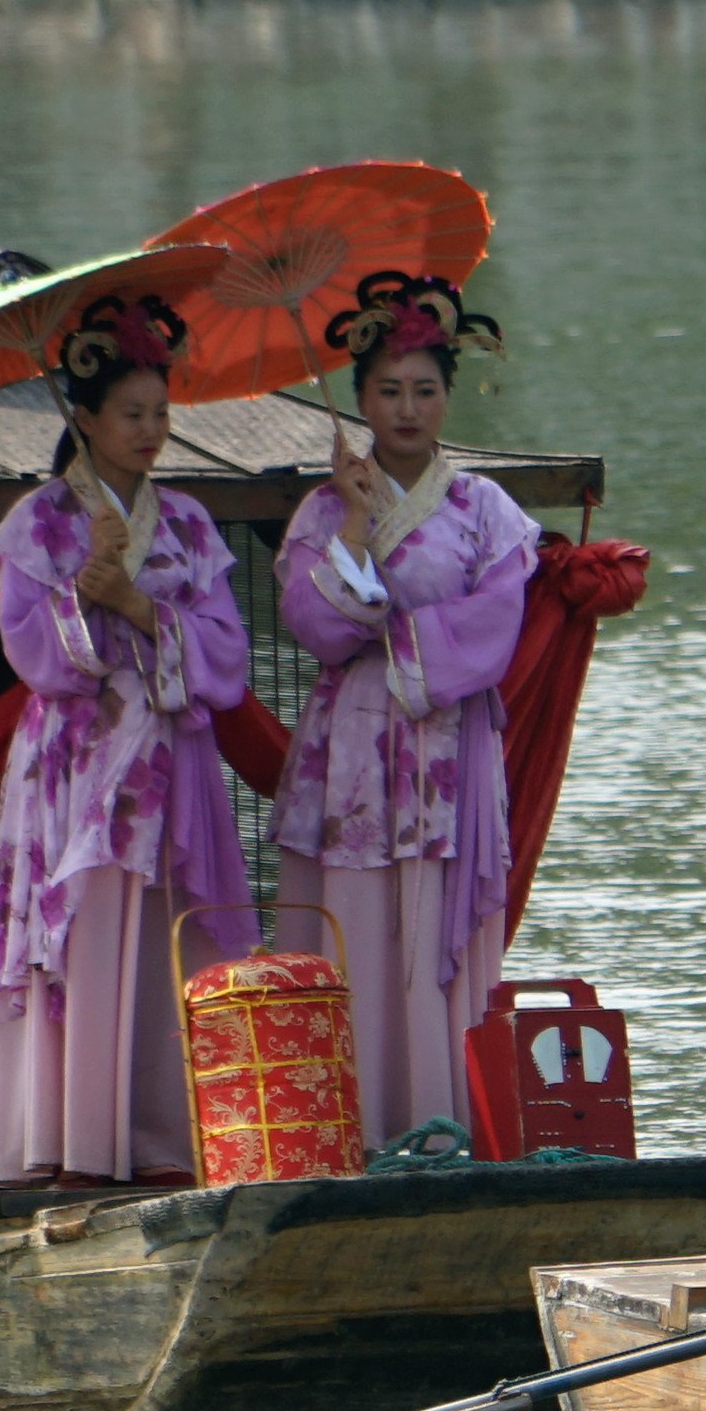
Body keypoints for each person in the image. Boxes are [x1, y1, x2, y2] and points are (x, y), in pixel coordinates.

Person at [0, 292, 252, 1186]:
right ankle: (72, 1144)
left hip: (171, 756)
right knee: (83, 937)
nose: (151, 430)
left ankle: (169, 1142)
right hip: (75, 758)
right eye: (131, 414)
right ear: (86, 419)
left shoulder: (188, 526)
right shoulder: (38, 523)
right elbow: (31, 653)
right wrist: (78, 598)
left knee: (170, 936)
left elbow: (227, 657)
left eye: (161, 413)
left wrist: (137, 602)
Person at [274, 269, 541, 1150]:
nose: (407, 408)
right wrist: (353, 529)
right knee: (357, 928)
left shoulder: (485, 510)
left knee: (430, 932)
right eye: (388, 390)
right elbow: (314, 627)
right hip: (350, 745)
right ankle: (349, 1124)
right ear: (360, 397)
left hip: (442, 742)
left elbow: (497, 622)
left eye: (424, 390)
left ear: (446, 398)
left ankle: (440, 1124)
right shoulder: (323, 510)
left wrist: (388, 630)